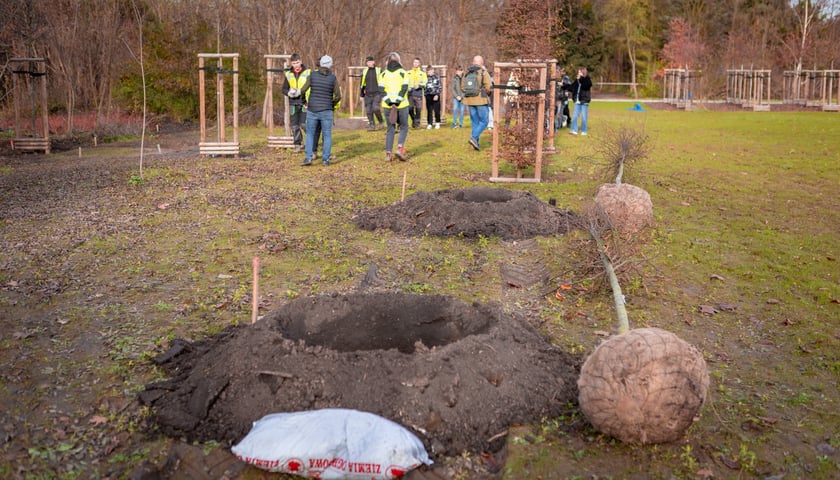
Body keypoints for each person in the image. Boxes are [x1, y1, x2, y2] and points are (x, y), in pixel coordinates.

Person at [302, 55, 341, 166]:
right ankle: (325, 159)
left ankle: (308, 158)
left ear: (320, 64)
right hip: (327, 110)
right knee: (327, 134)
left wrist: (304, 101)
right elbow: (338, 95)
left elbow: (303, 90)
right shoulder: (332, 78)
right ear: (330, 65)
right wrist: (331, 105)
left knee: (310, 134)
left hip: (312, 109)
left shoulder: (313, 75)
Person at [378, 52, 410, 161]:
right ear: (398, 60)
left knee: (390, 129)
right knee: (404, 127)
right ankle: (399, 148)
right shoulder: (403, 73)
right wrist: (397, 102)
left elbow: (381, 90)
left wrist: (389, 102)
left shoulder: (383, 74)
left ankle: (388, 154)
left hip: (387, 106)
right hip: (402, 105)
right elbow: (404, 88)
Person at [461, 55, 493, 151]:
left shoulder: (466, 72)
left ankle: (476, 144)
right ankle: (474, 138)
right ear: (482, 63)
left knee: (475, 122)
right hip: (481, 100)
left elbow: (463, 88)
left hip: (469, 101)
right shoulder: (483, 72)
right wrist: (487, 92)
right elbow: (488, 87)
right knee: (484, 121)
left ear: (473, 62)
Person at [281, 53, 310, 153]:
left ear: (301, 61)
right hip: (293, 103)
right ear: (291, 64)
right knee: (294, 126)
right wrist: (288, 93)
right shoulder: (288, 74)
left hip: (304, 102)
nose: (296, 65)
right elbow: (284, 89)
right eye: (294, 63)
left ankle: (309, 143)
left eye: (297, 62)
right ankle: (297, 144)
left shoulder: (308, 72)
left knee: (304, 125)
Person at [360, 55, 384, 131]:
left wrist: (383, 92)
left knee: (376, 108)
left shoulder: (379, 70)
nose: (369, 63)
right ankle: (372, 125)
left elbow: (383, 81)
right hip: (367, 94)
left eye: (370, 61)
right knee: (368, 110)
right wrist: (361, 94)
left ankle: (381, 122)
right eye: (367, 62)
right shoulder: (364, 71)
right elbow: (362, 83)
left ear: (373, 62)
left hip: (377, 93)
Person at [569, 66, 592, 136]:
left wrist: (581, 78)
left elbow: (586, 86)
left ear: (583, 72)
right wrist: (563, 86)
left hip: (584, 101)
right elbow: (571, 87)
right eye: (578, 72)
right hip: (577, 101)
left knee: (584, 117)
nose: (578, 74)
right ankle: (573, 130)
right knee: (575, 116)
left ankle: (584, 131)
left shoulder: (587, 79)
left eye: (580, 72)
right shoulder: (577, 80)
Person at [406, 57, 427, 129]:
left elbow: (425, 83)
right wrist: (407, 87)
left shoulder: (422, 74)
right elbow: (405, 82)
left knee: (418, 109)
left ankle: (417, 124)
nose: (415, 63)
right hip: (410, 93)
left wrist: (419, 86)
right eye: (414, 62)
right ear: (413, 63)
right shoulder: (408, 72)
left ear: (419, 64)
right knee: (410, 108)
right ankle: (414, 119)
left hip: (418, 93)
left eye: (417, 62)